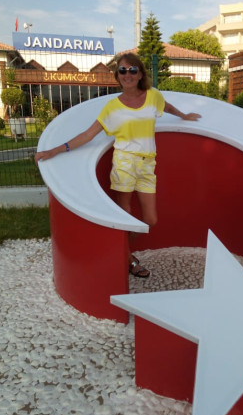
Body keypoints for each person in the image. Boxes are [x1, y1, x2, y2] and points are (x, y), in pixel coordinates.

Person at [35, 52, 201, 278]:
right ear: (118, 75)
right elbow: (88, 135)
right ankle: (127, 257)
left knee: (151, 219)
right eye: (123, 70)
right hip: (124, 163)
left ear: (140, 74)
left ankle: (118, 248)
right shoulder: (112, 107)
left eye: (132, 70)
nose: (127, 74)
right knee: (125, 216)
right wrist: (54, 150)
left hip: (147, 164)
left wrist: (183, 115)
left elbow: (167, 106)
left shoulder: (153, 96)